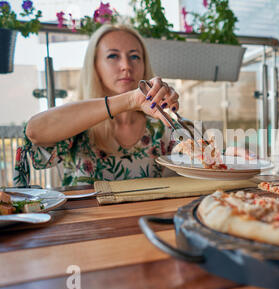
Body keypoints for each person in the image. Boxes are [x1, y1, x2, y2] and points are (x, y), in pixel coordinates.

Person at [14, 24, 181, 187]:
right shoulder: (78, 121)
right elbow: (34, 131)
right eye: (113, 56)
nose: (126, 66)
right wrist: (129, 100)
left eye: (135, 56)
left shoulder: (162, 127)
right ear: (95, 66)